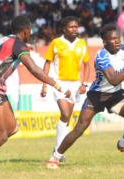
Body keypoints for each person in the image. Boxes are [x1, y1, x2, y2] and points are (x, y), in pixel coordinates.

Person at [0, 15, 71, 175]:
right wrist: (57, 85)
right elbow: (34, 69)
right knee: (1, 137)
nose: (30, 32)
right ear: (25, 30)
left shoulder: (3, 40)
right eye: (30, 29)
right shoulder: (19, 45)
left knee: (11, 128)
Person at [45, 24, 124, 169]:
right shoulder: (101, 56)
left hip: (116, 95)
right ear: (105, 42)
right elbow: (113, 80)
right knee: (79, 129)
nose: (117, 41)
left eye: (118, 38)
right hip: (97, 95)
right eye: (113, 39)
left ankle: (123, 144)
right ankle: (54, 158)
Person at [40, 16, 90, 162]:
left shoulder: (82, 44)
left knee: (67, 118)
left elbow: (87, 65)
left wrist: (84, 84)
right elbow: (47, 63)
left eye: (76, 26)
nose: (74, 29)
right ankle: (57, 151)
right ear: (64, 29)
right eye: (71, 27)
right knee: (66, 114)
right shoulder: (56, 43)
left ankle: (58, 151)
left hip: (75, 84)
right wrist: (45, 84)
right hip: (58, 83)